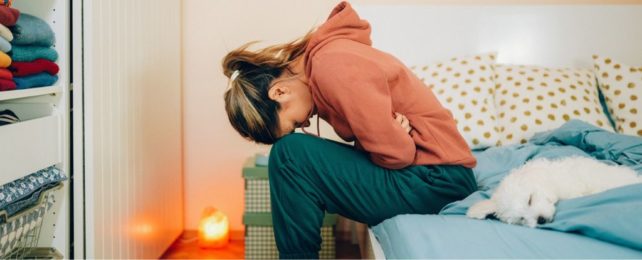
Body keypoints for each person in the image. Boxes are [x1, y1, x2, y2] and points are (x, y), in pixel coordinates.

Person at [222, 2, 477, 258]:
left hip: (437, 181)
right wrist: (389, 136)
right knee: (291, 154)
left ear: (280, 92)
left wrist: (394, 138)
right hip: (430, 175)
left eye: (295, 124)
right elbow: (389, 148)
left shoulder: (332, 68)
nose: (306, 124)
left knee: (288, 154)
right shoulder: (327, 60)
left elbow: (399, 153)